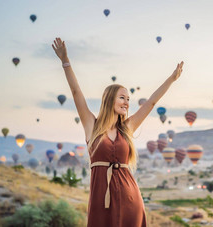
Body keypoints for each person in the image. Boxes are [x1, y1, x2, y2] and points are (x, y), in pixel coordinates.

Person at [52, 37, 184, 227]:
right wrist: (65, 61)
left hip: (130, 197)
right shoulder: (92, 126)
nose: (127, 103)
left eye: (128, 99)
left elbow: (151, 103)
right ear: (109, 100)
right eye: (122, 97)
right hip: (101, 200)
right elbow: (76, 92)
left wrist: (171, 79)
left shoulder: (127, 128)